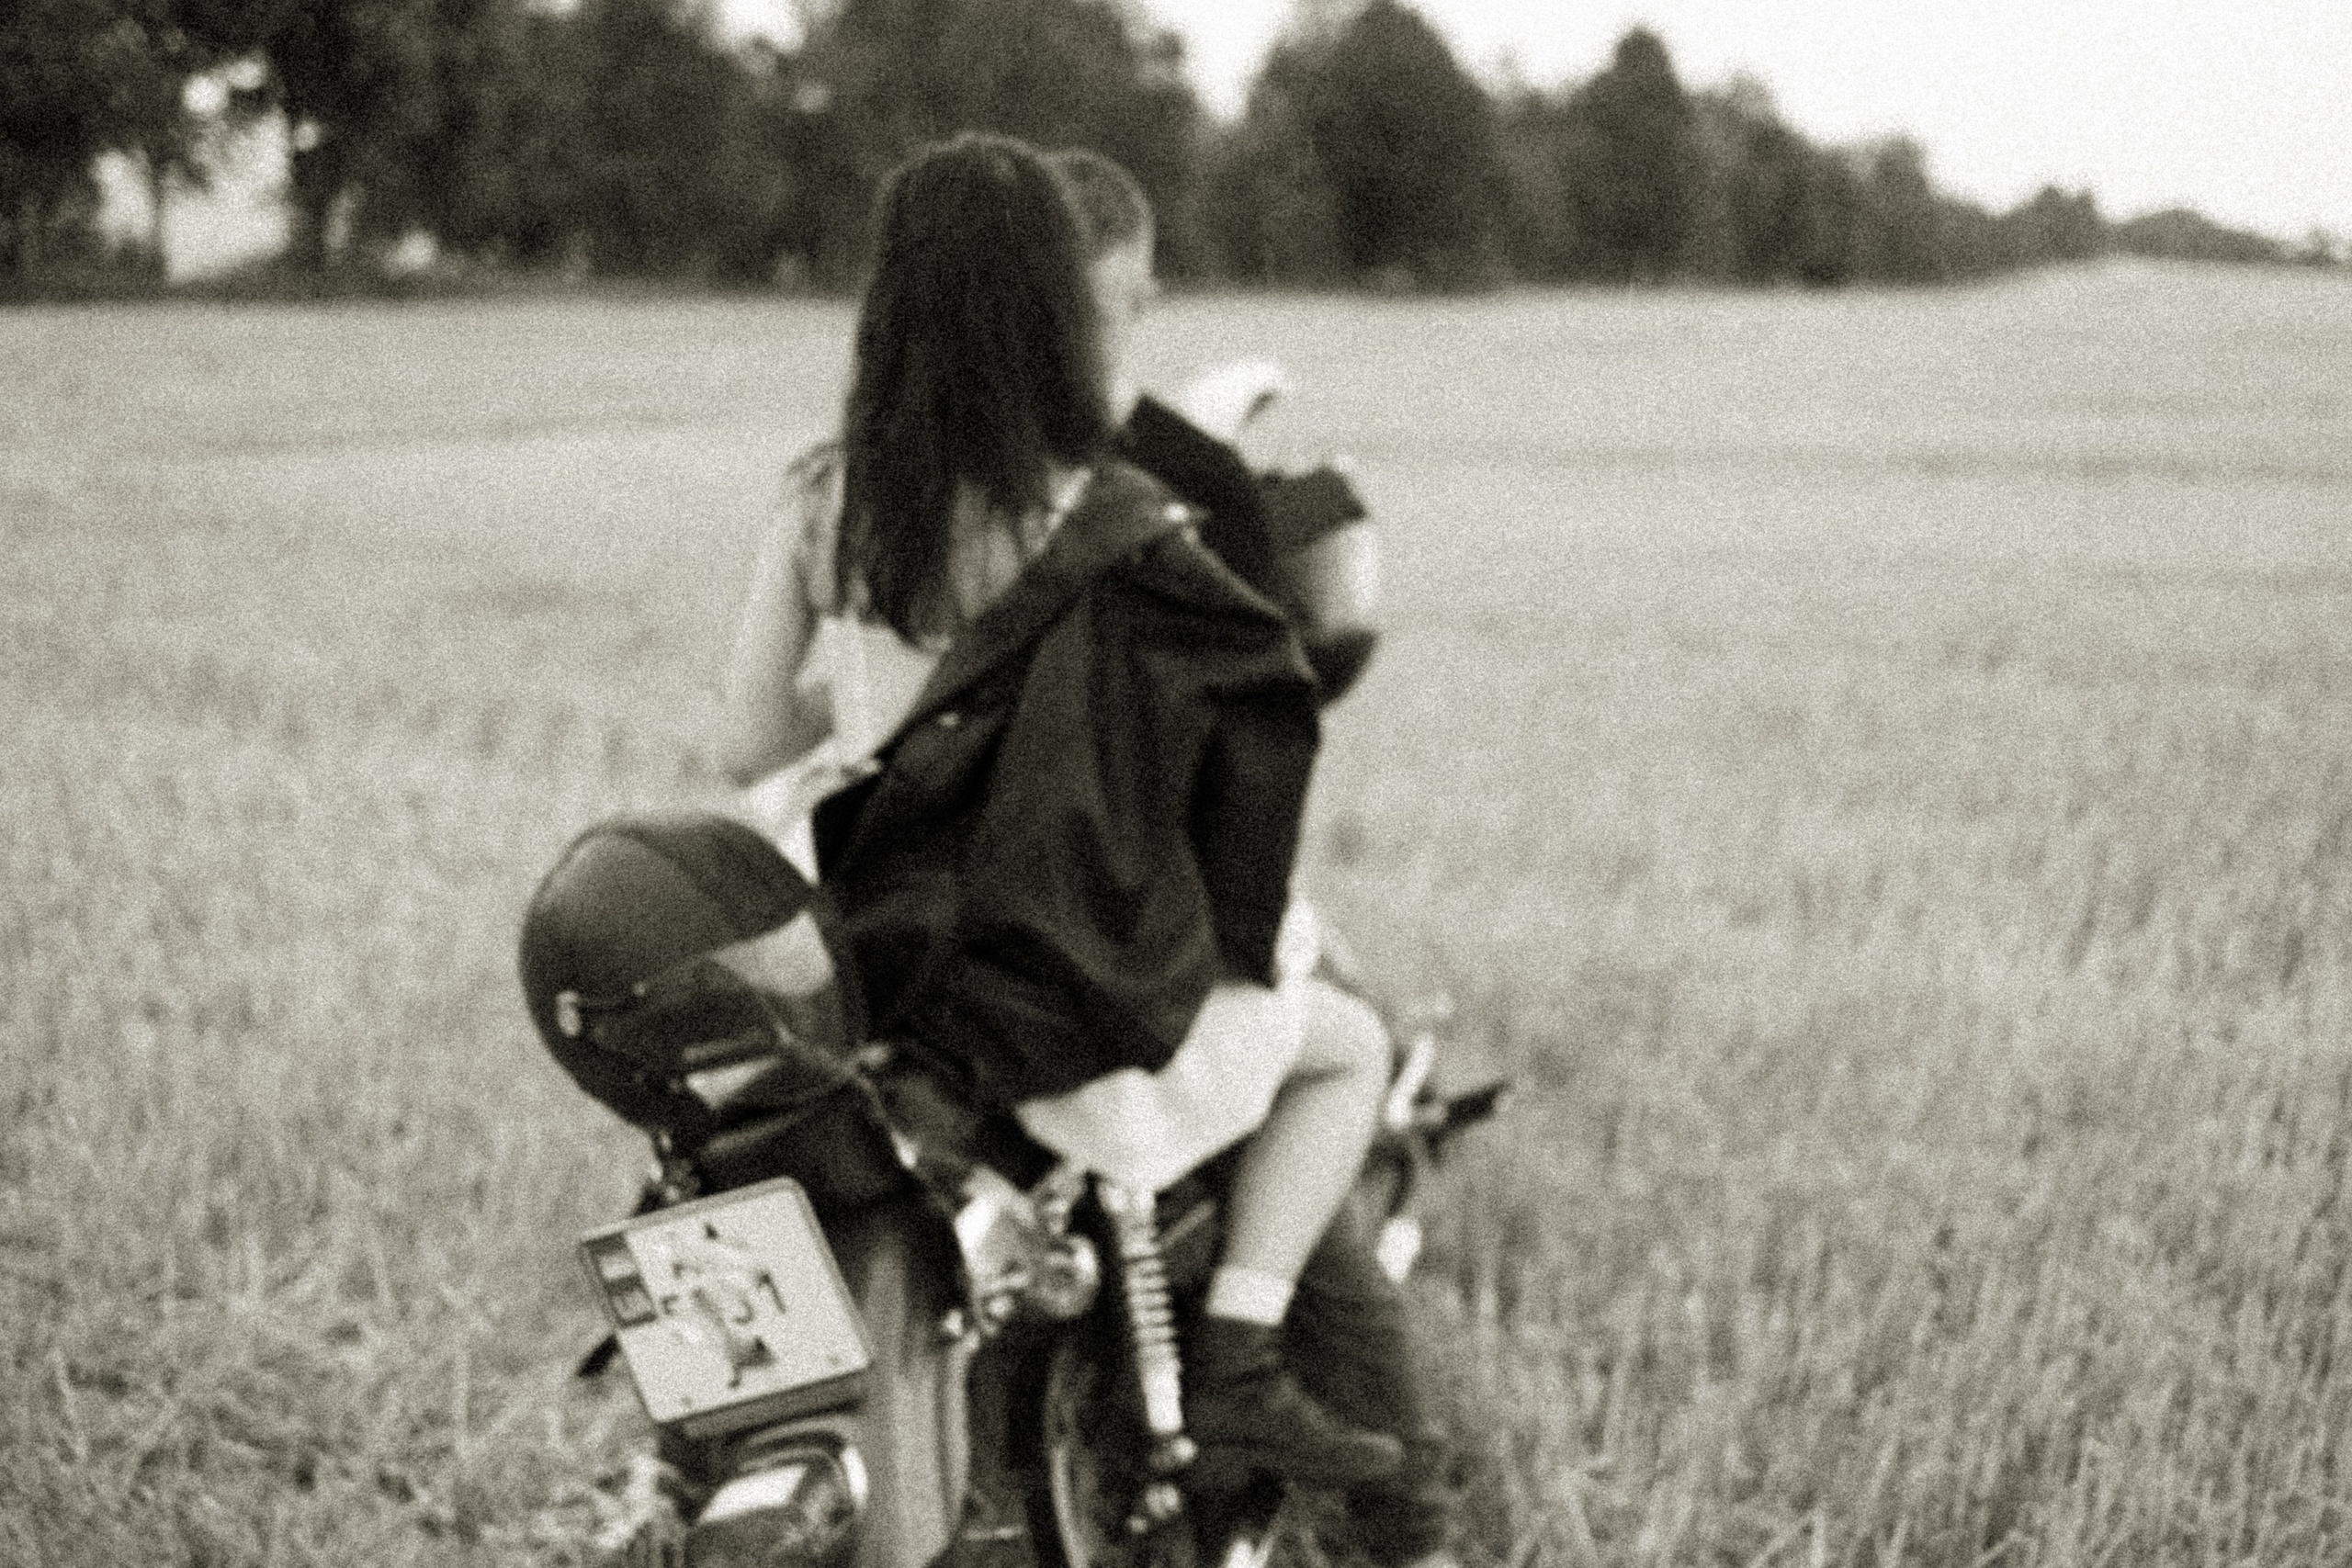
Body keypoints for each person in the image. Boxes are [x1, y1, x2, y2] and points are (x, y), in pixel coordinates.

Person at [716, 131, 1400, 1490]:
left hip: (864, 940)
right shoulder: (1091, 513)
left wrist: (861, 712)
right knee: (1349, 1050)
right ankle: (1244, 1364)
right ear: (1044, 301)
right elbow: (1199, 745)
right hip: (1038, 959)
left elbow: (747, 737)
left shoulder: (821, 493)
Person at [1046, 145, 1460, 1568]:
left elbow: (766, 741)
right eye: (1122, 310)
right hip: (1065, 992)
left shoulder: (862, 486)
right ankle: (1380, 1506)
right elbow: (1147, 803)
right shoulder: (1101, 515)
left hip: (892, 953)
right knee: (1332, 1073)